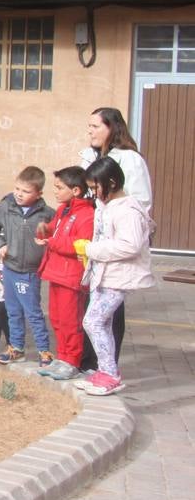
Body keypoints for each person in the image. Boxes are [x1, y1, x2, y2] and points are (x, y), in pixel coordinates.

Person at [75, 156, 156, 396]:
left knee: (93, 321)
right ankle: (106, 371)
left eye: (94, 187)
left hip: (119, 276)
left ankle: (110, 374)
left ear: (110, 182)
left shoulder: (128, 209)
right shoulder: (107, 205)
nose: (92, 193)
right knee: (103, 323)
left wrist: (91, 249)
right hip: (105, 273)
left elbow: (129, 246)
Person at [78, 107, 150, 372]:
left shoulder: (129, 159)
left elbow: (141, 202)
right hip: (94, 242)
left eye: (95, 126)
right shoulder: (90, 156)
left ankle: (107, 367)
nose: (90, 131)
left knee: (107, 311)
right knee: (91, 304)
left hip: (115, 245)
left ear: (112, 127)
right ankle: (90, 361)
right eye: (89, 126)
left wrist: (114, 222)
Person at [0, 166, 55, 367]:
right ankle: (16, 348)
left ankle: (44, 351)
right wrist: (0, 244)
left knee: (32, 312)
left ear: (39, 193)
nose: (19, 194)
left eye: (26, 191)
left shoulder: (47, 214)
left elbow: (55, 237)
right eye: (17, 189)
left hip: (30, 272)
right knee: (12, 310)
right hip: (9, 268)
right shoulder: (6, 207)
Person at [34, 166, 94, 380]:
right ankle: (62, 357)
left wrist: (52, 241)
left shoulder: (86, 214)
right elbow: (56, 228)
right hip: (55, 273)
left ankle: (72, 361)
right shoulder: (63, 210)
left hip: (71, 277)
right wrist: (45, 228)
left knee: (71, 321)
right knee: (58, 319)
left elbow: (80, 244)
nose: (56, 192)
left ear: (76, 190)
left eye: (60, 188)